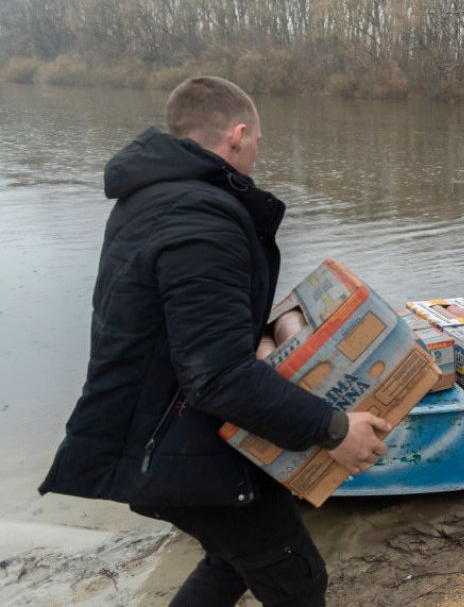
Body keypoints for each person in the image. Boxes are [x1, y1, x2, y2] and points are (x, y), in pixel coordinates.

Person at [39, 76, 390, 606]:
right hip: (169, 444)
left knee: (235, 561)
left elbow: (188, 340)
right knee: (298, 580)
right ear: (237, 135)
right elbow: (217, 375)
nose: (255, 153)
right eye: (257, 142)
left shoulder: (151, 201)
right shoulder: (201, 220)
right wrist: (333, 428)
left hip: (151, 436)